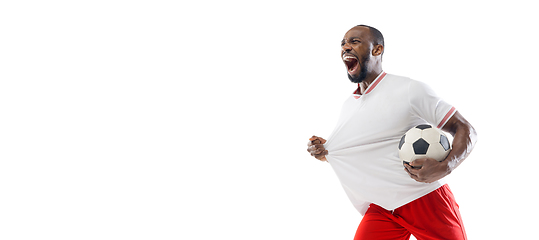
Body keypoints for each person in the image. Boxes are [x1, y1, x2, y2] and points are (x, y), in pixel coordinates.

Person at [307, 25, 477, 240]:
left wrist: (445, 166)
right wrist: (326, 153)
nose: (346, 47)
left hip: (424, 198)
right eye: (343, 43)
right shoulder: (348, 105)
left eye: (355, 41)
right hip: (383, 207)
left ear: (377, 50)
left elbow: (466, 129)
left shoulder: (408, 89)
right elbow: (364, 150)